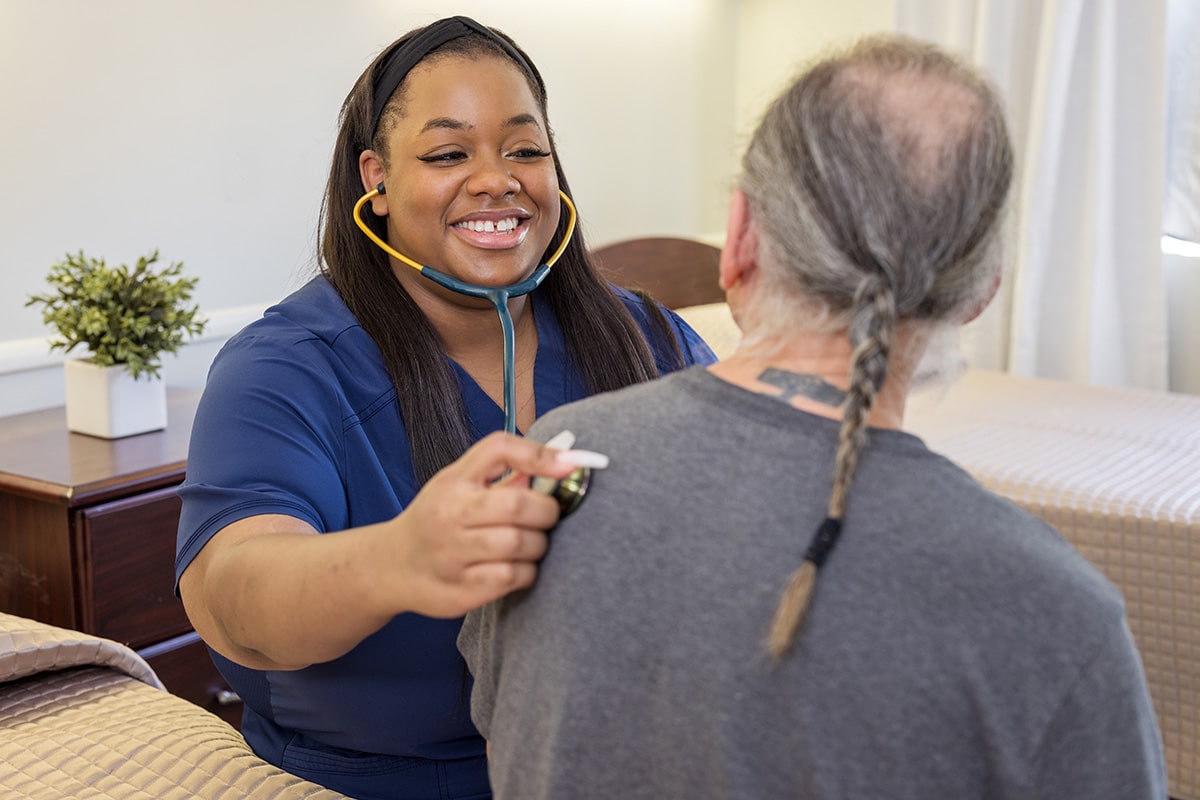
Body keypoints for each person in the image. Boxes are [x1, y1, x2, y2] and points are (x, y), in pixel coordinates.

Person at [458, 35, 1168, 799]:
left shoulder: (546, 473)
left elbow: (508, 751)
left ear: (739, 239)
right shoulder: (1058, 614)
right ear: (980, 289)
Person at [174, 15, 715, 800]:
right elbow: (229, 595)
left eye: (526, 150)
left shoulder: (649, 337)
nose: (497, 179)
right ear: (377, 181)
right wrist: (399, 560)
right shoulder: (284, 368)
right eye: (448, 153)